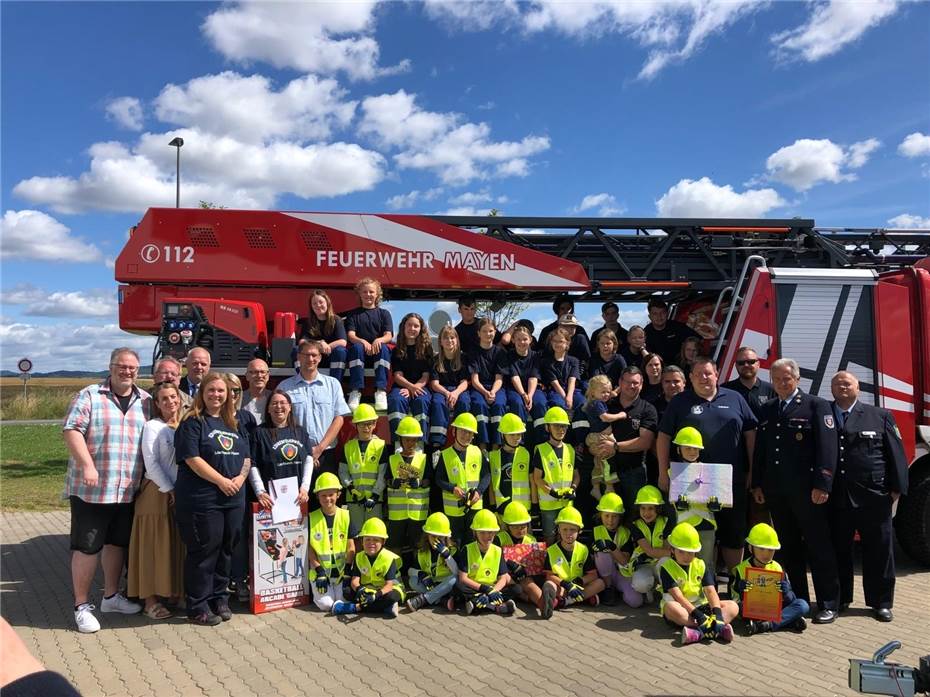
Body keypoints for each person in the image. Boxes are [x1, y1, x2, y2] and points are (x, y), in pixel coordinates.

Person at [63, 347, 150, 633]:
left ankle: (111, 596)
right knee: (87, 547)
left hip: (127, 490)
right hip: (92, 490)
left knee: (117, 543)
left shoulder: (146, 401)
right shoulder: (90, 395)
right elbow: (72, 430)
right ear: (111, 367)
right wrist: (87, 465)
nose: (127, 372)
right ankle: (81, 605)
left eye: (132, 368)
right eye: (122, 366)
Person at [751, 357, 840, 624]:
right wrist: (758, 483)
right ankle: (799, 601)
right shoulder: (767, 409)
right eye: (776, 379)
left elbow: (828, 448)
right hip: (777, 492)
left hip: (808, 493)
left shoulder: (816, 405)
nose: (781, 384)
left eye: (786, 379)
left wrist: (823, 484)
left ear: (797, 379)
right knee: (789, 549)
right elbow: (762, 451)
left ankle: (828, 603)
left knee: (818, 546)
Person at [658, 357, 757, 579]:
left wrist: (752, 470)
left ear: (717, 374)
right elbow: (663, 437)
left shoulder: (735, 398)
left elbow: (751, 434)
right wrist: (662, 472)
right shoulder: (680, 402)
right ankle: (697, 585)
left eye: (708, 373)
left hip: (730, 480)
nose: (704, 378)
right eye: (699, 374)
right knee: (699, 533)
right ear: (690, 378)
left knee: (734, 532)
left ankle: (735, 584)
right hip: (690, 483)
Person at [829, 370, 908, 622]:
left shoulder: (879, 415)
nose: (843, 387)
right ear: (831, 389)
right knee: (839, 550)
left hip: (873, 497)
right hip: (837, 497)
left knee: (879, 551)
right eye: (838, 383)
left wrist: (896, 488)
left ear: (858, 387)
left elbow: (896, 454)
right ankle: (839, 599)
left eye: (847, 383)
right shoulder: (823, 415)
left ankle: (881, 602)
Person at [174, 372, 252, 626]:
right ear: (202, 393)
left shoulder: (235, 422)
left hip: (233, 499)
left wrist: (239, 480)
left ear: (229, 394)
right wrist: (221, 481)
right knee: (205, 550)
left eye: (221, 391)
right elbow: (192, 459)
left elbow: (247, 458)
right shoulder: (193, 422)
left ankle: (219, 598)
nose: (216, 395)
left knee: (226, 550)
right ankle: (198, 605)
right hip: (203, 499)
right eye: (211, 390)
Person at [128, 381, 184, 620]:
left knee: (174, 545)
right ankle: (150, 600)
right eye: (164, 399)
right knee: (153, 547)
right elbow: (151, 462)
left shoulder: (185, 424)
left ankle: (173, 592)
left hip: (180, 493)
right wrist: (169, 488)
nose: (170, 402)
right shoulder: (152, 427)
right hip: (157, 492)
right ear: (157, 404)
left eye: (173, 397)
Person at [278, 339, 351, 475]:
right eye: (306, 355)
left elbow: (339, 418)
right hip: (294, 454)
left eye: (314, 355)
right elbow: (280, 422)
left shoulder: (333, 384)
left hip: (326, 453)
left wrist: (319, 449)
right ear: (299, 357)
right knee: (299, 496)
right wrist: (304, 451)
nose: (310, 359)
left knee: (326, 495)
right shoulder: (284, 387)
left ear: (320, 358)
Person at [658, 523, 738, 645]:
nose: (686, 556)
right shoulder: (666, 568)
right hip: (682, 607)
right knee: (671, 608)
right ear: (672, 549)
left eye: (690, 552)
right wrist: (699, 617)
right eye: (681, 551)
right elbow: (678, 597)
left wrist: (718, 615)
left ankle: (699, 633)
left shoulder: (700, 564)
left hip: (702, 606)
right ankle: (717, 630)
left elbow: (711, 591)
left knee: (733, 606)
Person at [597, 367, 657, 519]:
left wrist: (615, 447)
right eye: (628, 382)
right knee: (608, 515)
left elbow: (645, 442)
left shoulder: (647, 409)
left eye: (636, 383)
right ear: (620, 383)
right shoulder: (606, 405)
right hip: (607, 471)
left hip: (634, 471)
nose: (631, 386)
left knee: (634, 516)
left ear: (642, 385)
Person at [733, 523, 809, 634]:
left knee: (803, 605)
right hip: (752, 609)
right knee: (740, 608)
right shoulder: (741, 569)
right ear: (750, 548)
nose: (766, 554)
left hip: (773, 608)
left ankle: (767, 625)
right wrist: (741, 590)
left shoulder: (777, 567)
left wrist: (787, 592)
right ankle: (788, 621)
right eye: (762, 549)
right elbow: (734, 601)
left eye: (770, 550)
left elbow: (791, 600)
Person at [249, 391, 314, 513]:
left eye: (283, 403)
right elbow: (252, 465)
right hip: (270, 500)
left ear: (290, 407)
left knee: (296, 532)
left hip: (298, 498)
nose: (278, 406)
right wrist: (260, 491)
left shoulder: (300, 432)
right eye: (274, 403)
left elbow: (308, 460)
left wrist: (305, 488)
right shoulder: (259, 432)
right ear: (268, 409)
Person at [540, 506, 605, 618]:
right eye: (564, 529)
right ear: (558, 530)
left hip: (578, 586)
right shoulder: (551, 550)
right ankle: (583, 598)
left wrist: (580, 581)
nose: (568, 533)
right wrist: (566, 584)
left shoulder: (583, 549)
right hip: (562, 586)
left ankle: (565, 602)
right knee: (549, 585)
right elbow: (549, 575)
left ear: (579, 531)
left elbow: (593, 575)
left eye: (573, 530)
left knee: (600, 583)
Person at [668, 426, 718, 572]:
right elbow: (673, 498)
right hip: (685, 523)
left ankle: (709, 592)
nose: (692, 452)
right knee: (684, 564)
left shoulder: (710, 471)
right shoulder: (672, 472)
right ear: (679, 449)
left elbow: (720, 495)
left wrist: (716, 504)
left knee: (706, 562)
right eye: (688, 448)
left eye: (695, 449)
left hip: (706, 522)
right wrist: (678, 503)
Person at [436, 413, 491, 545]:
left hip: (474, 506)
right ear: (454, 431)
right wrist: (452, 488)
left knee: (473, 544)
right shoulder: (445, 455)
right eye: (463, 431)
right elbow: (438, 479)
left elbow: (486, 475)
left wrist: (479, 491)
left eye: (470, 433)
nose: (466, 436)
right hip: (453, 511)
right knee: (455, 544)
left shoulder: (477, 452)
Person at [333, 517, 404, 618]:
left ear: (383, 542)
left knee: (391, 598)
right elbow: (354, 581)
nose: (371, 543)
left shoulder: (389, 558)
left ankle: (354, 608)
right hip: (369, 589)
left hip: (390, 590)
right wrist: (360, 589)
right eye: (367, 539)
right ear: (362, 541)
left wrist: (376, 596)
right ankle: (385, 608)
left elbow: (389, 586)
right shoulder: (359, 556)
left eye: (376, 540)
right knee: (347, 592)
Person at [306, 472, 357, 612]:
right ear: (317, 496)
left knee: (344, 599)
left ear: (338, 495)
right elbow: (309, 548)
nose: (327, 498)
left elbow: (351, 546)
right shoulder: (311, 517)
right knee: (326, 605)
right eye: (323, 495)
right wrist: (318, 569)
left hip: (341, 573)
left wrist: (348, 570)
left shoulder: (345, 515)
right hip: (321, 573)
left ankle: (337, 597)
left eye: (331, 494)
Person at [452, 509, 516, 616]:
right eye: (482, 532)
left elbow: (503, 577)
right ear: (475, 533)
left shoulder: (498, 550)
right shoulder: (467, 549)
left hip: (492, 587)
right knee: (457, 585)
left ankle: (478, 602)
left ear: (495, 533)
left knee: (516, 589)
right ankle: (495, 606)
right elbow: (463, 578)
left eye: (490, 532)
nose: (487, 536)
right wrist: (485, 589)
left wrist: (492, 591)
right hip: (475, 586)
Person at [385, 417, 432, 559]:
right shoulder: (393, 459)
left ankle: (420, 572)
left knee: (418, 545)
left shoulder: (423, 459)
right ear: (400, 439)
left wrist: (420, 483)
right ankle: (395, 576)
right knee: (394, 545)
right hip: (397, 514)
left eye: (413, 440)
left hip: (417, 512)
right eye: (407, 439)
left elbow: (429, 480)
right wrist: (392, 483)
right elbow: (386, 479)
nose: (410, 443)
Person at [532, 406, 580, 542]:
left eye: (564, 426)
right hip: (549, 505)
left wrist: (574, 488)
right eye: (557, 426)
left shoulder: (570, 449)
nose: (561, 430)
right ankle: (549, 562)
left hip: (567, 503)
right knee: (550, 536)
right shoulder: (541, 450)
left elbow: (576, 475)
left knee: (567, 537)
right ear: (548, 428)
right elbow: (537, 478)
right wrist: (551, 492)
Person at [345, 277, 393, 412]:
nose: (368, 295)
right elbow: (351, 335)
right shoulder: (353, 315)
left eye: (371, 292)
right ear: (359, 294)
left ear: (377, 294)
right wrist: (363, 341)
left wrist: (379, 340)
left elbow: (388, 335)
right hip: (360, 354)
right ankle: (355, 391)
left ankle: (381, 391)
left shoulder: (384, 314)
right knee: (356, 347)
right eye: (364, 292)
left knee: (384, 347)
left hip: (378, 353)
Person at [339, 403, 387, 530]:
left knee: (374, 532)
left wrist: (375, 495)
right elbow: (343, 471)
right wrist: (351, 488)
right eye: (362, 424)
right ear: (356, 425)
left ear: (375, 424)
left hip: (375, 501)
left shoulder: (380, 446)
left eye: (369, 423)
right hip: (354, 499)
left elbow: (383, 474)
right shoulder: (348, 447)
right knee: (357, 534)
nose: (366, 428)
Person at [387, 312, 433, 444]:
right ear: (403, 327)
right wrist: (409, 387)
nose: (412, 329)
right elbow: (397, 375)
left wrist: (414, 388)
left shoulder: (426, 349)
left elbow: (425, 376)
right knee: (396, 401)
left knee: (421, 402)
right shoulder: (397, 350)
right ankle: (398, 444)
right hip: (401, 387)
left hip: (420, 386)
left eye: (416, 326)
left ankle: (420, 444)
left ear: (421, 329)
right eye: (409, 325)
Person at [495, 501, 545, 611]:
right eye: (515, 526)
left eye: (523, 526)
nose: (520, 530)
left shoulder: (531, 540)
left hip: (526, 575)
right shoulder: (500, 538)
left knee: (529, 581)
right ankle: (544, 604)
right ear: (507, 526)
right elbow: (494, 558)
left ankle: (544, 603)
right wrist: (511, 564)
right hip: (506, 575)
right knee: (527, 583)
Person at [428, 324, 471, 452]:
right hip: (441, 389)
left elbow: (465, 382)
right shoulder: (436, 360)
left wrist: (456, 393)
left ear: (457, 340)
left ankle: (462, 442)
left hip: (459, 389)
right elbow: (434, 384)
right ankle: (437, 445)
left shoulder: (463, 358)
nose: (449, 341)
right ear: (440, 341)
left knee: (464, 402)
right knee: (437, 403)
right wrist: (447, 393)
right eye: (445, 338)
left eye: (452, 338)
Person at [502, 324, 547, 443]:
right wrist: (523, 395)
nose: (522, 342)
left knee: (541, 404)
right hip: (515, 389)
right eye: (518, 339)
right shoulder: (509, 355)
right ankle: (519, 442)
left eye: (525, 339)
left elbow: (533, 377)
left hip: (532, 389)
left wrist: (530, 396)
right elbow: (514, 377)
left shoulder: (535, 356)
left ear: (531, 339)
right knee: (517, 404)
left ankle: (541, 441)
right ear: (513, 340)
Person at [405, 512, 459, 611]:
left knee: (455, 579)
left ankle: (423, 599)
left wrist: (447, 556)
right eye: (434, 536)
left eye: (441, 537)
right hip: (430, 584)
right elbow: (410, 570)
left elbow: (457, 572)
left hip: (446, 585)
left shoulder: (453, 550)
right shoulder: (422, 552)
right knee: (412, 581)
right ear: (427, 536)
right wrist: (420, 573)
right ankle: (441, 600)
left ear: (446, 537)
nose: (437, 540)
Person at [467, 317, 508, 447]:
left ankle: (496, 446)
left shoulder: (500, 352)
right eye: (484, 331)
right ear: (479, 333)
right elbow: (474, 380)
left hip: (496, 388)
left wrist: (493, 392)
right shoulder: (473, 352)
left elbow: (499, 378)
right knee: (479, 405)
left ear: (495, 332)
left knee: (499, 405)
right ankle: (482, 446)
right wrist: (485, 392)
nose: (488, 334)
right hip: (479, 388)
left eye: (491, 331)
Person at [591, 493, 637, 607]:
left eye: (614, 516)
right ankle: (608, 589)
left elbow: (624, 561)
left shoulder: (625, 533)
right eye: (606, 516)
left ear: (620, 516)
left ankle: (616, 589)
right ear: (600, 515)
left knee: (636, 601)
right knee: (602, 552)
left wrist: (611, 546)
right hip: (602, 576)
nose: (610, 520)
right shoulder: (595, 531)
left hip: (620, 573)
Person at [583, 375, 625, 500]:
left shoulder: (597, 400)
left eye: (608, 391)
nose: (607, 394)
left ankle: (595, 487)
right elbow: (605, 418)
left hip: (597, 436)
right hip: (600, 436)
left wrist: (618, 389)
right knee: (608, 459)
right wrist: (620, 415)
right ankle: (609, 485)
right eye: (603, 392)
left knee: (598, 462)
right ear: (593, 392)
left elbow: (611, 394)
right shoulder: (597, 404)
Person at [627, 485, 670, 603]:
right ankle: (649, 588)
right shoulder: (635, 524)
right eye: (643, 508)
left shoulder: (665, 521)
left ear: (658, 508)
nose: (646, 513)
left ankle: (667, 595)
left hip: (660, 563)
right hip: (643, 564)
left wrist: (670, 554)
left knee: (666, 561)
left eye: (651, 508)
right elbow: (649, 551)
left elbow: (667, 551)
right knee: (640, 584)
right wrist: (675, 554)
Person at [298, 289, 348, 381]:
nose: (318, 305)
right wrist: (320, 344)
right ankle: (303, 380)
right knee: (296, 350)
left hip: (331, 357)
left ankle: (335, 383)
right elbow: (302, 341)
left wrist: (327, 346)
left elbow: (342, 341)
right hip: (313, 357)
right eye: (314, 303)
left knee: (340, 351)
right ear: (311, 306)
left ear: (327, 303)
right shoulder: (308, 322)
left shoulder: (336, 320)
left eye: (321, 302)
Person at [490, 413, 534, 514]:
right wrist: (493, 508)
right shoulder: (494, 456)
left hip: (523, 508)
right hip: (502, 508)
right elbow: (492, 486)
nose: (516, 438)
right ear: (502, 435)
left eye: (518, 434)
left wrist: (534, 506)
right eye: (512, 434)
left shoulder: (526, 453)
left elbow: (532, 481)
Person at [721, 347, 776, 420]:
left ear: (758, 364)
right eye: (741, 363)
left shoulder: (772, 390)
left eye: (751, 362)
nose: (746, 365)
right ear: (736, 366)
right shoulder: (724, 390)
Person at [643, 299, 700, 367]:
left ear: (667, 314)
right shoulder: (646, 333)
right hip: (659, 368)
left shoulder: (678, 327)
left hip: (681, 366)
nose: (659, 316)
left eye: (662, 313)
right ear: (650, 317)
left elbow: (698, 340)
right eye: (655, 314)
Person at [540, 328, 583, 413]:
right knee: (557, 404)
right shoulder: (546, 362)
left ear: (567, 343)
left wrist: (569, 397)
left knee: (581, 402)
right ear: (551, 343)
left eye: (561, 341)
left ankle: (579, 426)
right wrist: (565, 398)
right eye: (555, 341)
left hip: (572, 390)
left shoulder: (574, 361)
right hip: (556, 391)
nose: (557, 344)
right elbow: (555, 384)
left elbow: (572, 380)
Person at [537, 295, 590, 359]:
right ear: (557, 309)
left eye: (569, 308)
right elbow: (540, 351)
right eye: (562, 308)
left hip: (576, 366)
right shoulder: (547, 330)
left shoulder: (579, 330)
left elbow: (587, 355)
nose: (566, 311)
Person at [587, 329, 627, 395]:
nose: (605, 346)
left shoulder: (619, 359)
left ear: (614, 344)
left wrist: (615, 392)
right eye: (602, 343)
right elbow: (591, 380)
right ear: (598, 344)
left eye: (608, 343)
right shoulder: (593, 360)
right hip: (597, 395)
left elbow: (625, 379)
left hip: (615, 394)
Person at [555, 313, 591, 379]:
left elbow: (586, 360)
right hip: (557, 376)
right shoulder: (553, 339)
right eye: (565, 326)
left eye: (572, 326)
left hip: (578, 376)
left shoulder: (580, 339)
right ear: (559, 326)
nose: (569, 329)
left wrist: (577, 376)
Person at [242, 358, 272, 424]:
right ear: (247, 376)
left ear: (268, 376)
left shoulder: (274, 398)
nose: (259, 376)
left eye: (263, 372)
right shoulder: (238, 399)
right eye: (254, 372)